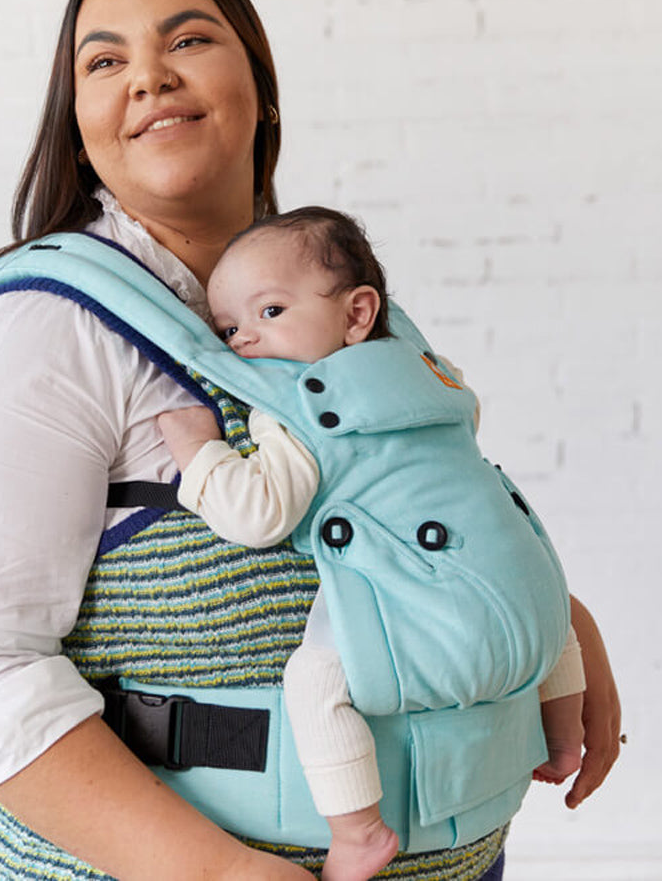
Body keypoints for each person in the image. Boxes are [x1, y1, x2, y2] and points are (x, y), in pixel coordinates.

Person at [0, 0, 623, 878]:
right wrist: (228, 874)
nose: (149, 75)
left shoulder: (339, 304)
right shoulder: (37, 328)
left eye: (188, 39)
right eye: (104, 61)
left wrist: (545, 614)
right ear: (79, 129)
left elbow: (412, 514)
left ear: (261, 90)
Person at [153, 205, 588, 881]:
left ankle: (357, 831)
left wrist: (199, 451)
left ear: (358, 313)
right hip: (512, 562)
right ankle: (564, 738)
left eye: (269, 312)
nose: (243, 341)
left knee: (315, 679)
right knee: (548, 617)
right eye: (229, 327)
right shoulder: (431, 373)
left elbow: (259, 513)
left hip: (416, 597)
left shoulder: (303, 406)